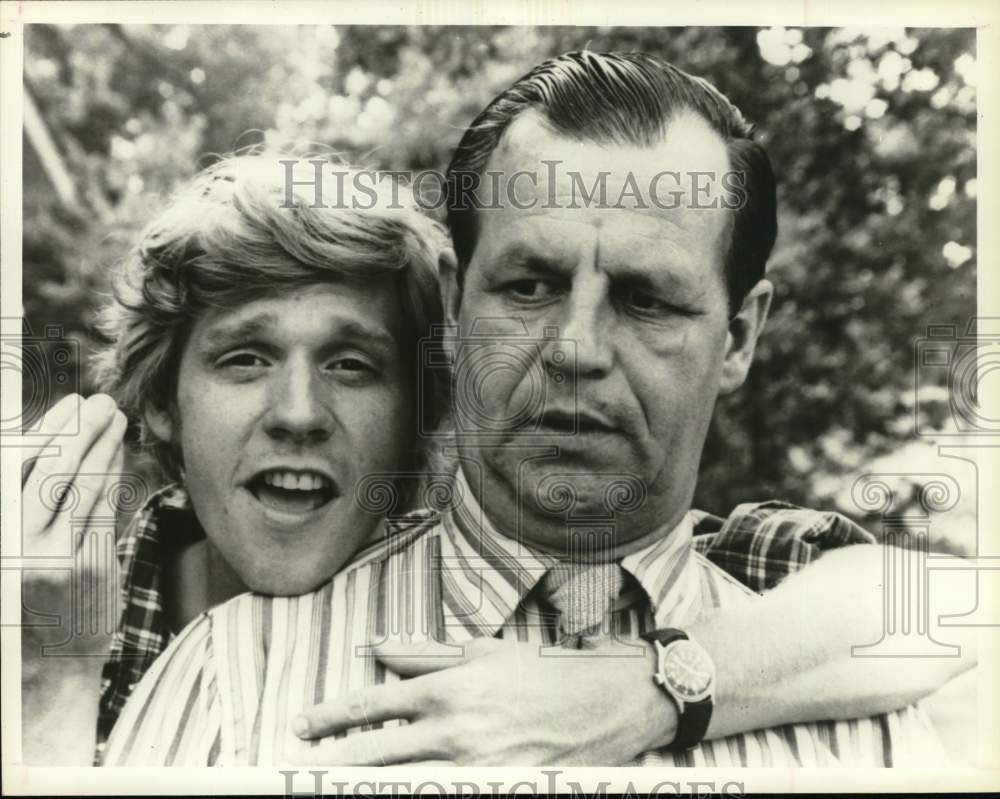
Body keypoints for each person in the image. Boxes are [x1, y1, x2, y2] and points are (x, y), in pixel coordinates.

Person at [100, 53, 973, 768]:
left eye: (647, 300)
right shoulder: (230, 677)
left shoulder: (862, 722)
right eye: (530, 285)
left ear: (739, 337)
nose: (576, 349)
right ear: (452, 306)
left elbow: (953, 602)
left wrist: (653, 687)